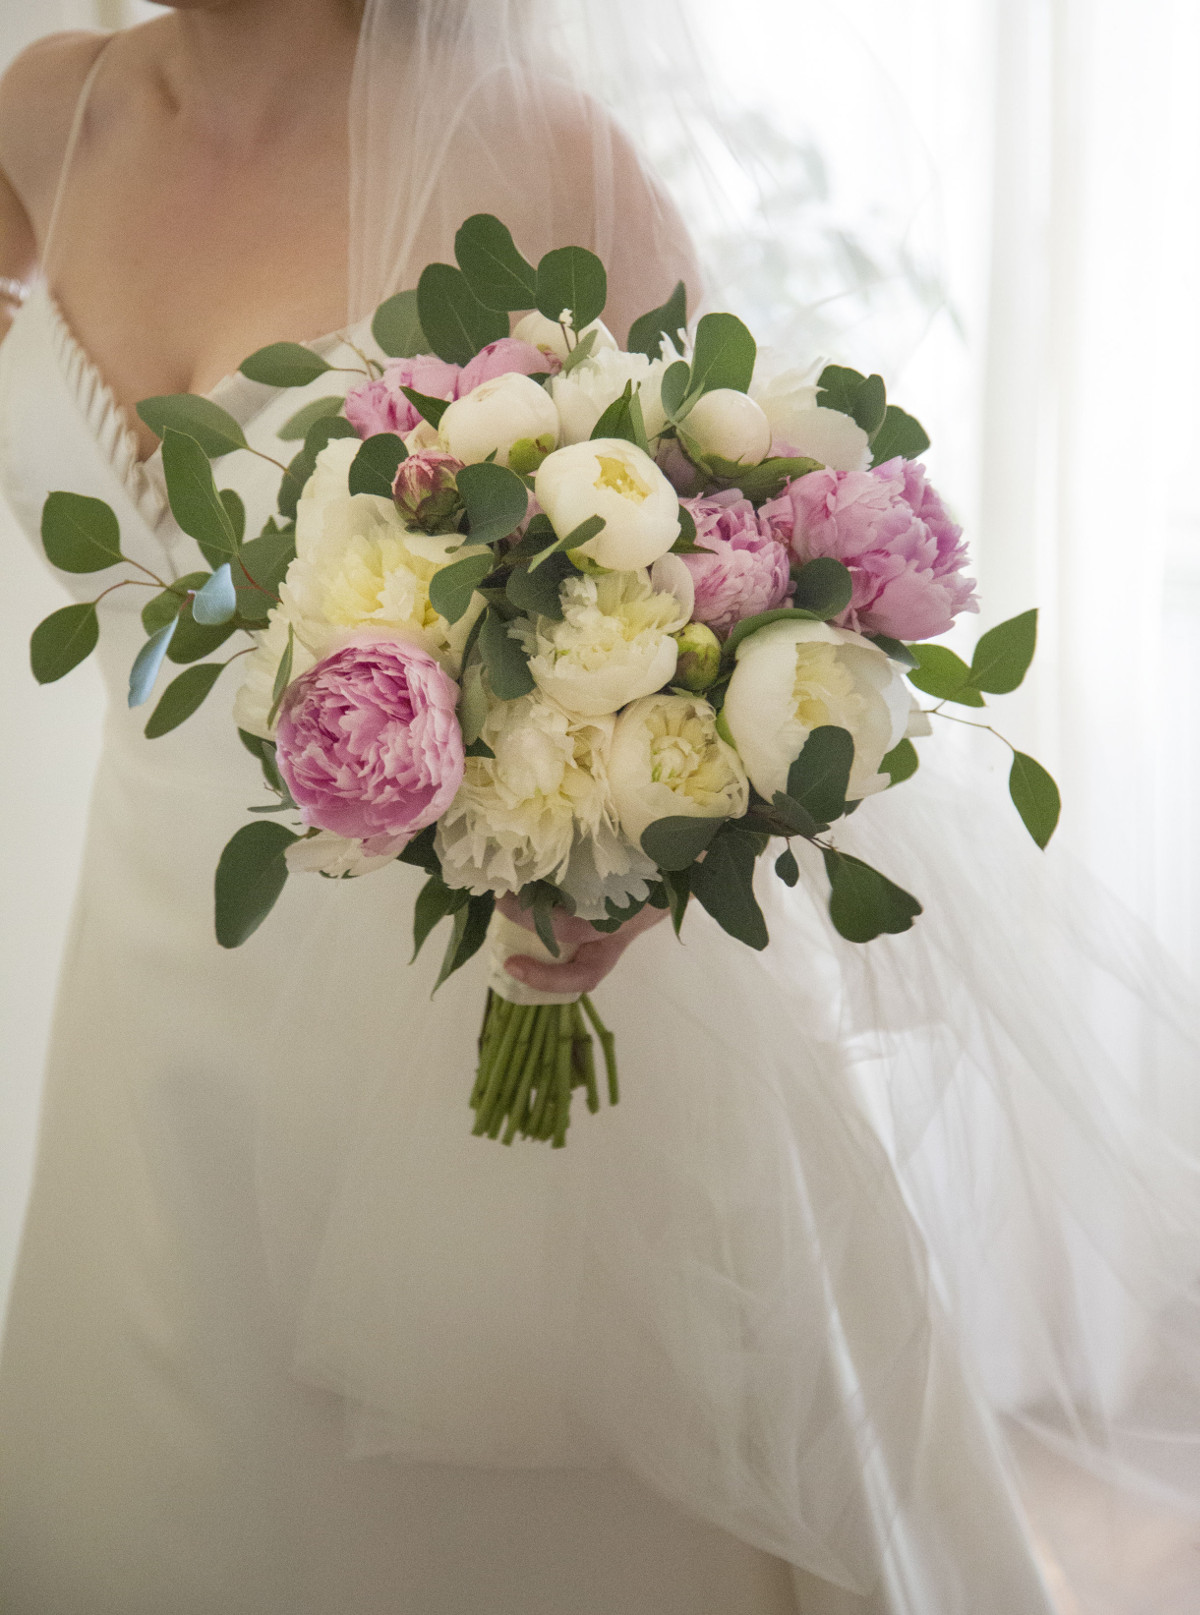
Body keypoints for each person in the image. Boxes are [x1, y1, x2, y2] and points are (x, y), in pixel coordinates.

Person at [0, 5, 1196, 1613]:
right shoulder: (43, 120)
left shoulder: (546, 157)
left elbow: (735, 589)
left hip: (443, 1002)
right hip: (144, 993)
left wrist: (624, 861)